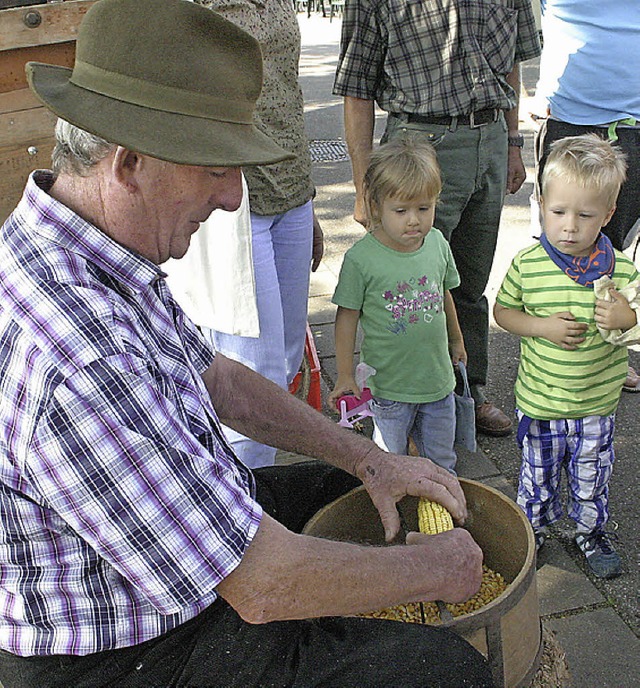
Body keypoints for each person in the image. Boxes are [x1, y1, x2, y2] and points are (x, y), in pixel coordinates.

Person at [0, 1, 493, 686]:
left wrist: (366, 458)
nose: (234, 199)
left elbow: (217, 381)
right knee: (448, 672)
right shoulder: (80, 355)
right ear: (128, 163)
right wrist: (432, 571)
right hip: (118, 654)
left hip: (157, 563)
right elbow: (259, 585)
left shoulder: (87, 246)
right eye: (213, 169)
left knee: (350, 488)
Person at [333, 0, 541, 438]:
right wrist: (363, 188)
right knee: (400, 286)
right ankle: (389, 400)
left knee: (466, 282)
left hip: (490, 137)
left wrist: (513, 141)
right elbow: (357, 87)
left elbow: (510, 67)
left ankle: (466, 390)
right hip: (418, 145)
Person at [171, 0, 324, 469]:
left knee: (289, 355)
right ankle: (247, 506)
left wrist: (309, 202)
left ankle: (252, 487)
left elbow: (288, 91)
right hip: (232, 199)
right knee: (252, 366)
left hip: (291, 188)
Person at [494, 134, 639, 579]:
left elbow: (633, 333)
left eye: (585, 215)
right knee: (536, 478)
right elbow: (503, 311)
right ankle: (532, 529)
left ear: (609, 214)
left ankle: (590, 532)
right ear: (540, 203)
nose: (570, 226)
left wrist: (626, 319)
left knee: (591, 478)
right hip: (541, 403)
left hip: (595, 404)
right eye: (558, 212)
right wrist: (542, 327)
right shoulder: (529, 263)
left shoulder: (622, 269)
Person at [328, 139, 465, 475]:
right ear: (376, 205)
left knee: (442, 461)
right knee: (389, 463)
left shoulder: (437, 244)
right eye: (401, 211)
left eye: (424, 208)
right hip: (388, 388)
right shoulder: (361, 259)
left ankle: (443, 522)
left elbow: (445, 293)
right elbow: (346, 318)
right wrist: (345, 373)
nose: (414, 221)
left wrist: (457, 339)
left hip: (437, 383)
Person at [530, 0, 640, 393]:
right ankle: (549, 344)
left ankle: (608, 350)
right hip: (568, 118)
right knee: (560, 242)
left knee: (614, 247)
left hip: (633, 124)